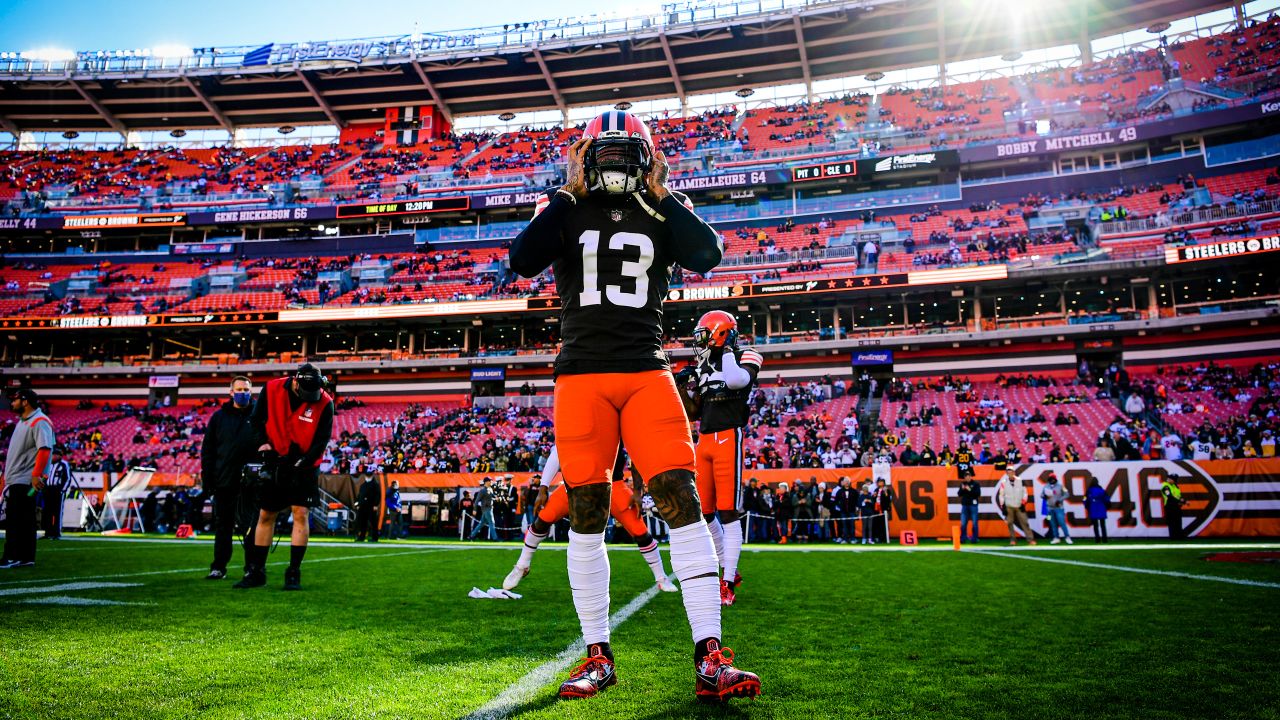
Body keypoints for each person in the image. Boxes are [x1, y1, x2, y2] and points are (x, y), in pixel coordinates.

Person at [509, 109, 758, 702]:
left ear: (645, 159)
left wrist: (661, 196)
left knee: (682, 503)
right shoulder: (564, 208)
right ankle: (597, 654)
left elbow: (708, 254)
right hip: (581, 377)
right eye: (607, 153)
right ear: (586, 156)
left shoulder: (662, 205)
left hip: (647, 371)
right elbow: (522, 260)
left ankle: (710, 656)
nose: (616, 164)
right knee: (587, 513)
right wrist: (563, 202)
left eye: (627, 153)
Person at [503, 446, 677, 593]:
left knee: (640, 531)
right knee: (542, 520)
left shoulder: (614, 413)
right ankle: (522, 565)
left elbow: (635, 450)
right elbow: (558, 449)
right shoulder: (576, 416)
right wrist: (543, 487)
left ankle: (660, 576)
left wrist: (638, 491)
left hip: (611, 483)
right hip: (576, 483)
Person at [678, 309, 763, 605]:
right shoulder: (703, 366)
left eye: (705, 336)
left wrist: (726, 350)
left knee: (728, 512)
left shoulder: (746, 355)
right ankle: (729, 568)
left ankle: (727, 582)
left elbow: (737, 381)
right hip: (705, 439)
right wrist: (680, 386)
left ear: (721, 333)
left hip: (729, 436)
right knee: (706, 512)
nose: (700, 343)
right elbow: (693, 413)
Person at [234, 363, 334, 591]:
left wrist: (301, 463)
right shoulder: (271, 389)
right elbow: (256, 420)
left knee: (301, 513)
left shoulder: (325, 403)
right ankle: (256, 571)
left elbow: (321, 441)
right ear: (296, 382)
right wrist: (263, 444)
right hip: (275, 458)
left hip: (305, 465)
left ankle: (293, 573)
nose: (311, 398)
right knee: (266, 514)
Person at [200, 376, 259, 580]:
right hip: (224, 481)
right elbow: (208, 450)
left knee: (250, 527)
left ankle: (252, 567)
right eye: (240, 389)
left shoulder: (260, 415)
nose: (243, 393)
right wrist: (208, 480)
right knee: (223, 526)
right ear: (231, 392)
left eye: (247, 389)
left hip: (251, 483)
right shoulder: (218, 418)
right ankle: (218, 566)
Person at [1, 387, 54, 569]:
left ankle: (13, 556)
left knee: (17, 520)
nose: (12, 403)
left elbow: (44, 449)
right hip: (19, 479)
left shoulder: (39, 421)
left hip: (25, 480)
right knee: (23, 519)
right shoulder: (24, 422)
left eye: (15, 399)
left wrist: (35, 475)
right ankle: (25, 557)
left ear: (25, 401)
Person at [994, 467, 1036, 546]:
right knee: (1010, 523)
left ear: (1014, 472)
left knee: (1025, 522)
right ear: (1006, 473)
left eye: (1011, 472)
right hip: (1009, 505)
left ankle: (1030, 539)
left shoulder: (1020, 481)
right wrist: (1003, 506)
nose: (1010, 473)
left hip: (1019, 505)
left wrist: (1023, 503)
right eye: (1008, 472)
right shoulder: (1004, 482)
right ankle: (1013, 540)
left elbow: (1025, 493)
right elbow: (1001, 495)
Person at [41, 444, 72, 540]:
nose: (53, 456)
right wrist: (44, 488)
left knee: (57, 512)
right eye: (53, 454)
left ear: (60, 456)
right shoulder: (49, 464)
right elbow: (44, 477)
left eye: (55, 455)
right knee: (47, 512)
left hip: (57, 490)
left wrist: (62, 490)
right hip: (48, 490)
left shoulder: (64, 464)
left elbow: (67, 478)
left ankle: (56, 533)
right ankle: (48, 532)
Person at [1041, 472, 1072, 544]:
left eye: (1053, 478)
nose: (1052, 480)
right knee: (1053, 523)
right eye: (1050, 479)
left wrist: (1059, 500)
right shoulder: (1046, 486)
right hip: (1049, 508)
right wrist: (1044, 496)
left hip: (1059, 507)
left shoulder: (1060, 486)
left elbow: (1067, 494)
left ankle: (1067, 537)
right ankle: (1056, 537)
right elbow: (1041, 494)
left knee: (1062, 522)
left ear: (1055, 479)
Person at [354, 474, 381, 542]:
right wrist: (358, 504)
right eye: (367, 476)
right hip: (363, 506)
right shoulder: (363, 485)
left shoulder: (375, 485)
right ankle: (361, 537)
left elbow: (378, 495)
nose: (367, 477)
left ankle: (375, 538)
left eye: (369, 476)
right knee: (362, 522)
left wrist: (375, 504)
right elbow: (360, 495)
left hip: (371, 506)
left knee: (373, 522)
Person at [1085, 478, 1110, 543]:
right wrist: (1106, 507)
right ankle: (1105, 539)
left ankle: (1097, 539)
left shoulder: (1089, 491)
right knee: (1103, 525)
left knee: (1095, 526)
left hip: (1093, 508)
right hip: (1101, 507)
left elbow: (1085, 499)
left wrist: (1087, 507)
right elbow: (1107, 499)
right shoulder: (1102, 490)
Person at [1161, 475, 1187, 540]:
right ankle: (1173, 537)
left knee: (1178, 521)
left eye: (1172, 479)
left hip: (1177, 506)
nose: (1169, 479)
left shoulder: (1175, 486)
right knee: (1172, 522)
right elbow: (1169, 496)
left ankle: (1179, 536)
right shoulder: (1165, 486)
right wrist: (1179, 500)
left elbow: (1178, 496)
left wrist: (1184, 501)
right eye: (1169, 478)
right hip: (1169, 506)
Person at [958, 476, 981, 544]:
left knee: (974, 523)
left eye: (968, 476)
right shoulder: (963, 484)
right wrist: (962, 489)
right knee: (963, 523)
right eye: (965, 476)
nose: (967, 478)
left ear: (970, 477)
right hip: (965, 505)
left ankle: (974, 538)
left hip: (973, 505)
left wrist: (969, 489)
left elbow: (978, 494)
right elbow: (959, 494)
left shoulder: (975, 483)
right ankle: (963, 538)